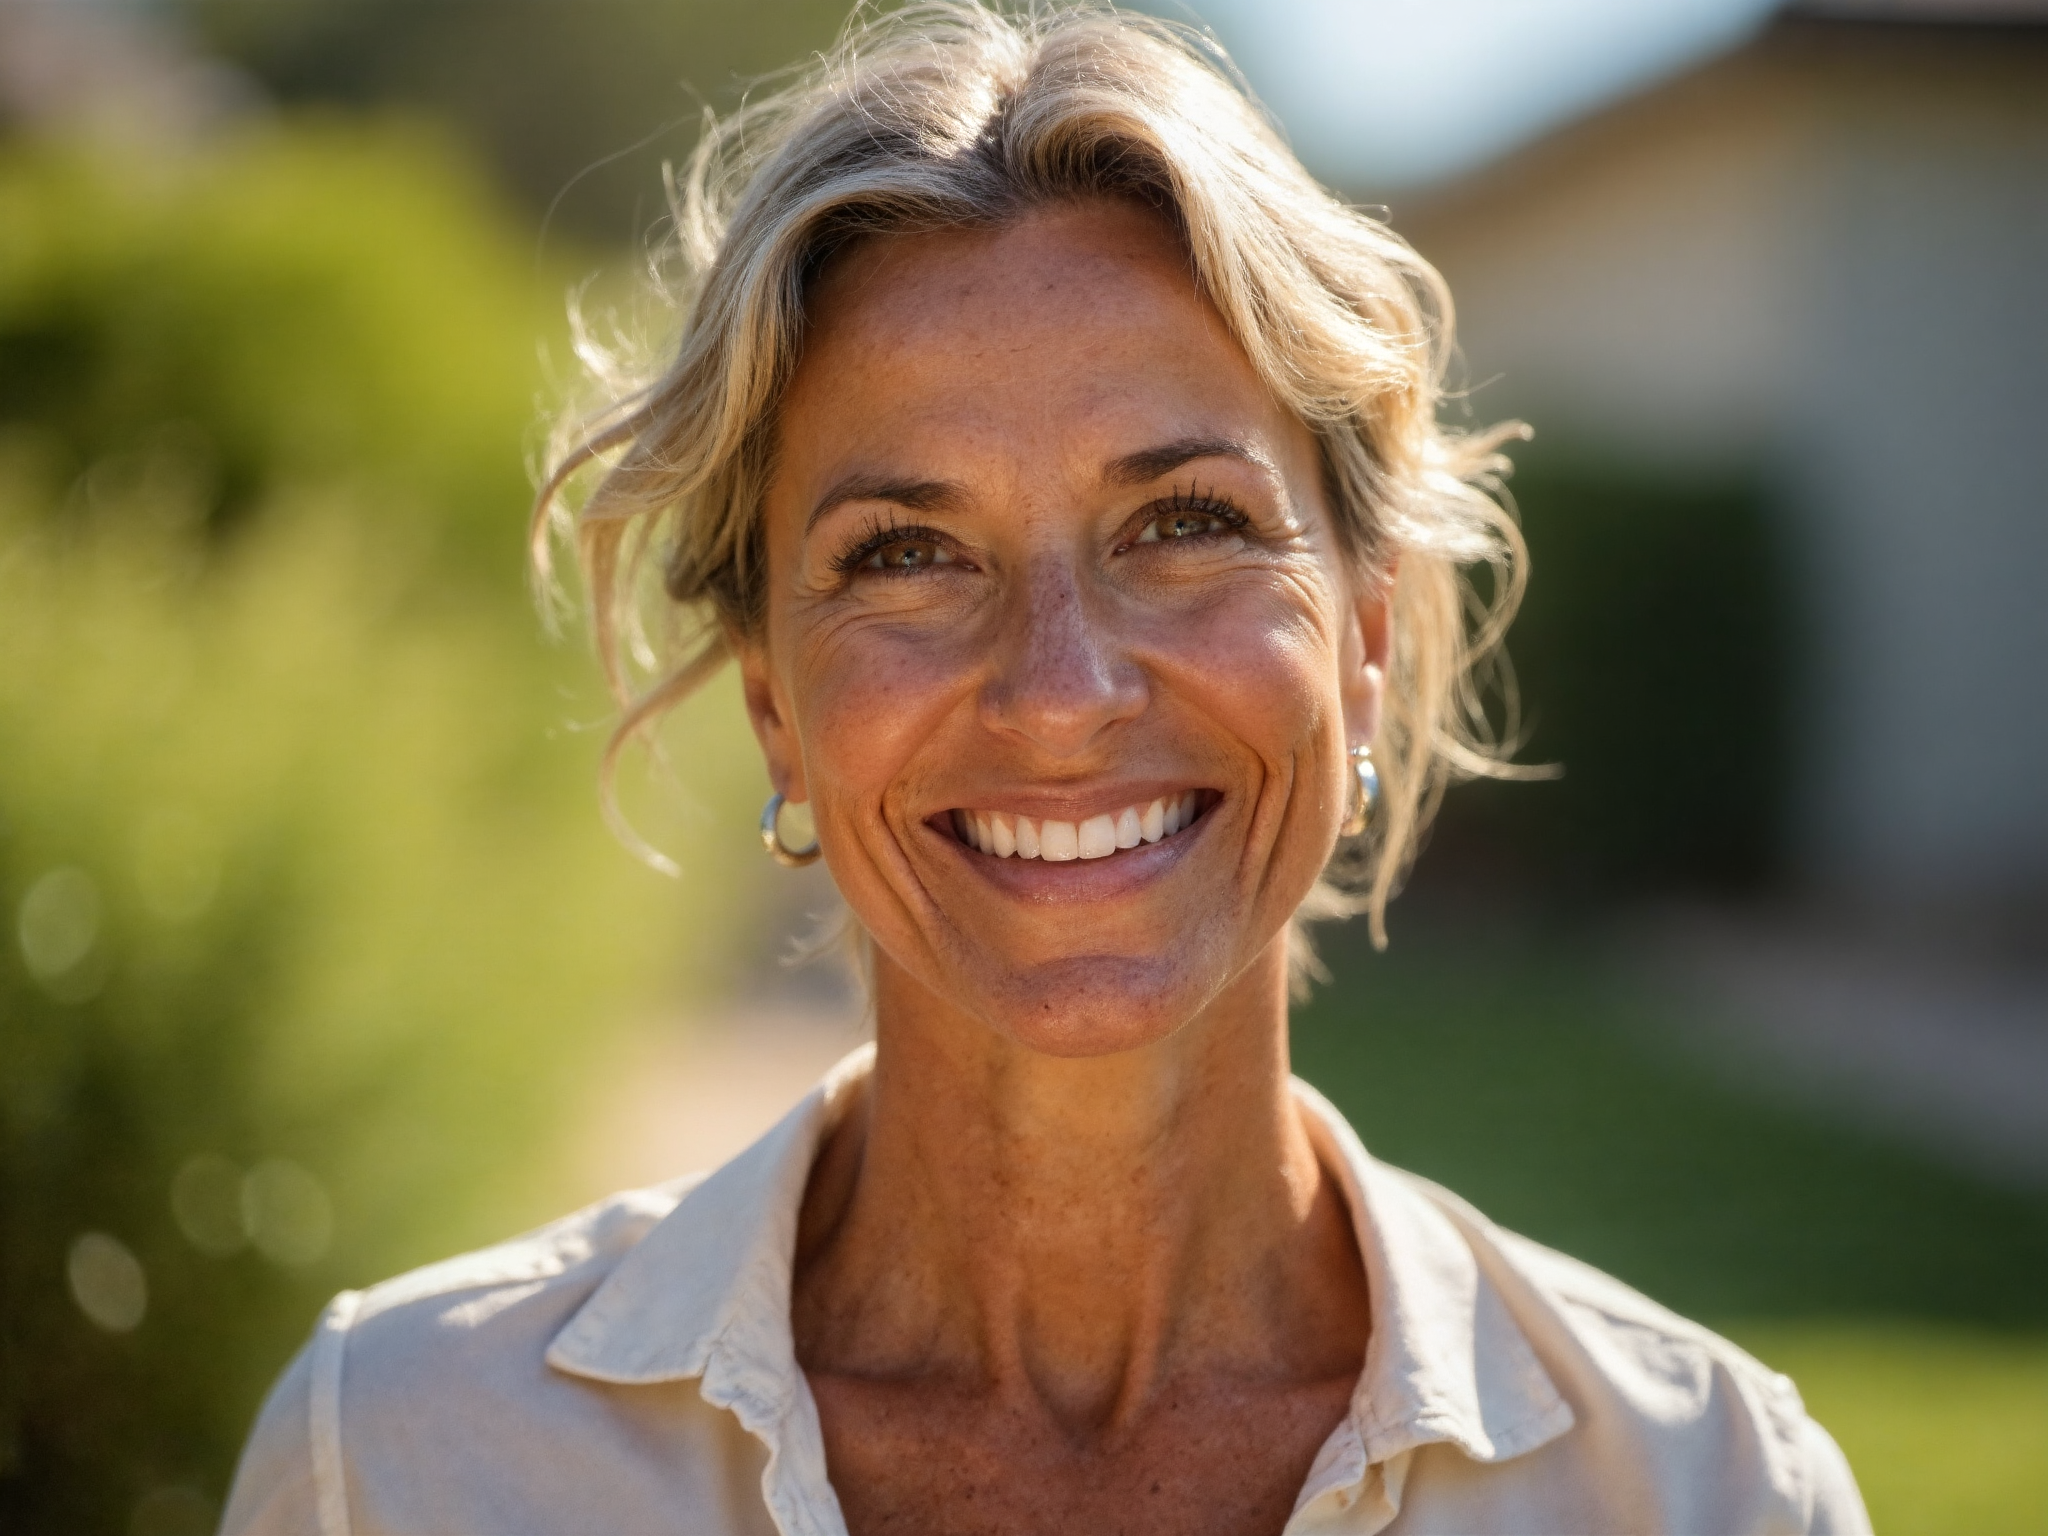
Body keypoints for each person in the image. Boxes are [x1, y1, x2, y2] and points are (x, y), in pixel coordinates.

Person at [221, 4, 1871, 1532]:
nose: (1061, 693)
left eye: (1184, 524)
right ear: (775, 705)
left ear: (1363, 642)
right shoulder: (401, 1456)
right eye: (906, 556)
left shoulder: (1707, 1487)